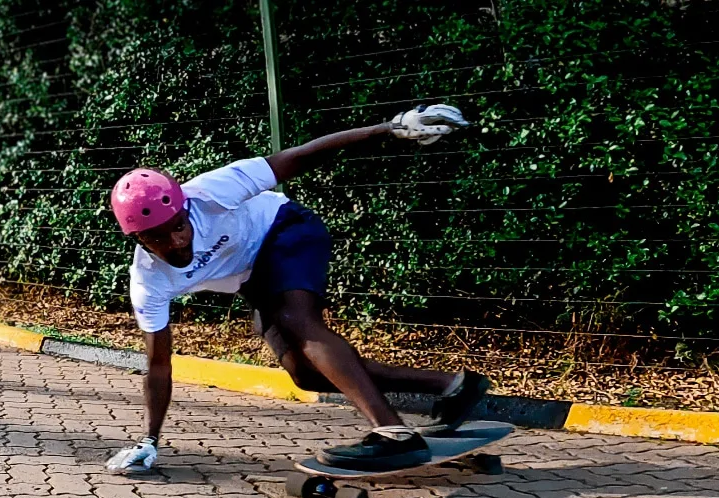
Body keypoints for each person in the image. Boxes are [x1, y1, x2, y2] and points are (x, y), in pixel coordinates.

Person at [105, 104, 491, 474]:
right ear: (138, 239)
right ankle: (452, 386)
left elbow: (301, 155)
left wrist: (390, 128)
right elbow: (159, 364)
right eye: (158, 238)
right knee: (304, 375)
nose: (177, 241)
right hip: (253, 276)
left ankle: (393, 432)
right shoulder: (148, 281)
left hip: (284, 228)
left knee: (296, 319)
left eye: (179, 226)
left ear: (185, 208)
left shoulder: (211, 192)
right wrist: (150, 440)